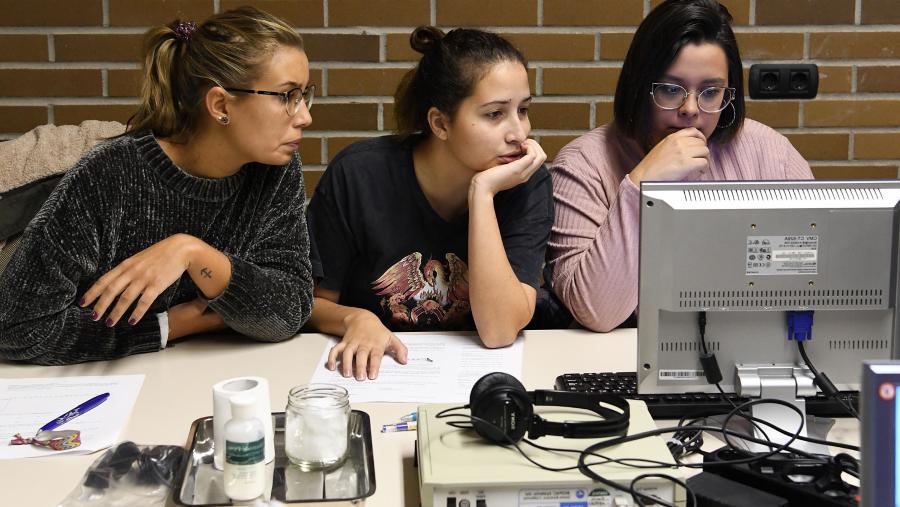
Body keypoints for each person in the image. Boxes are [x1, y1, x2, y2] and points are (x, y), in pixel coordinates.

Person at [0, 6, 315, 365]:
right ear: (220, 104)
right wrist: (169, 326)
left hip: (206, 374)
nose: (305, 115)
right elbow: (18, 328)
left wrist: (192, 254)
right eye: (287, 96)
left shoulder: (275, 170)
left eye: (305, 94)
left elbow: (291, 310)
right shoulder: (109, 176)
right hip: (99, 386)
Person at [547, 0, 813, 332]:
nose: (690, 109)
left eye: (710, 92)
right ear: (640, 87)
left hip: (750, 352)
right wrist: (640, 185)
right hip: (625, 361)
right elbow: (597, 312)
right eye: (671, 90)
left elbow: (810, 282)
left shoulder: (770, 155)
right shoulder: (583, 165)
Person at [307, 26, 553, 381]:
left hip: (475, 377)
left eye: (523, 109)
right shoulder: (359, 175)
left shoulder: (527, 184)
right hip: (371, 373)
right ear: (440, 123)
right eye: (495, 114)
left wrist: (482, 194)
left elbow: (499, 331)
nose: (519, 133)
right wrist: (355, 318)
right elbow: (312, 304)